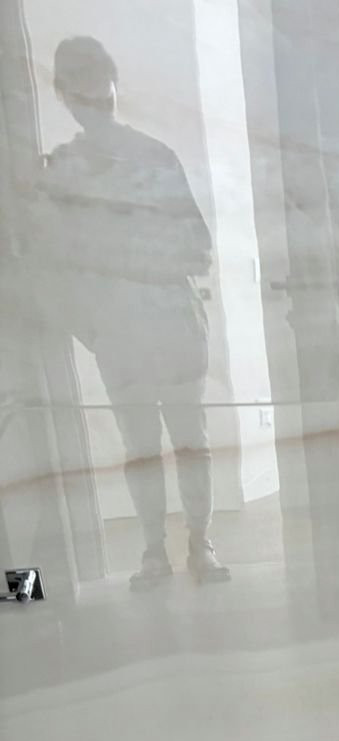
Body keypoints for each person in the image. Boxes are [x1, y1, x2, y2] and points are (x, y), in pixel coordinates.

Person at [39, 36, 230, 586]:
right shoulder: (62, 171)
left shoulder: (153, 155)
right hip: (119, 328)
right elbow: (56, 264)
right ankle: (154, 550)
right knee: (141, 445)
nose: (97, 108)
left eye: (102, 96)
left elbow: (198, 244)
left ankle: (200, 542)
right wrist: (94, 325)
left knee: (189, 439)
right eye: (85, 98)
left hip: (169, 319)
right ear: (64, 95)